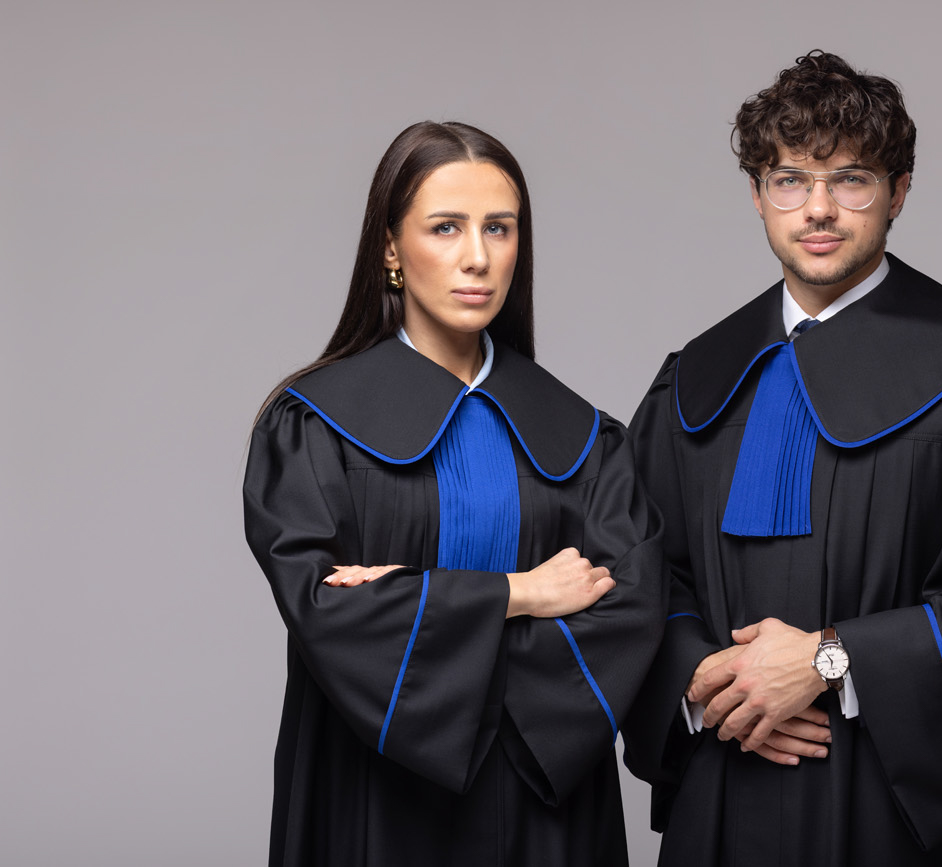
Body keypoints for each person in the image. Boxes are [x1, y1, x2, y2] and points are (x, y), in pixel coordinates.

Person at [622, 51, 942, 865]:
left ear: (898, 191)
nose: (818, 209)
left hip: (893, 809)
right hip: (727, 782)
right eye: (789, 180)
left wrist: (827, 660)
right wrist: (706, 682)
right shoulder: (694, 378)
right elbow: (638, 577)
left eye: (851, 179)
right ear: (757, 194)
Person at [244, 121, 664, 866]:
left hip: (543, 803)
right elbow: (326, 612)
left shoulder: (587, 438)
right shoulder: (314, 425)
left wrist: (415, 600)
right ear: (390, 248)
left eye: (499, 228)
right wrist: (520, 593)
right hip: (373, 798)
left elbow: (628, 614)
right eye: (446, 227)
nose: (478, 256)